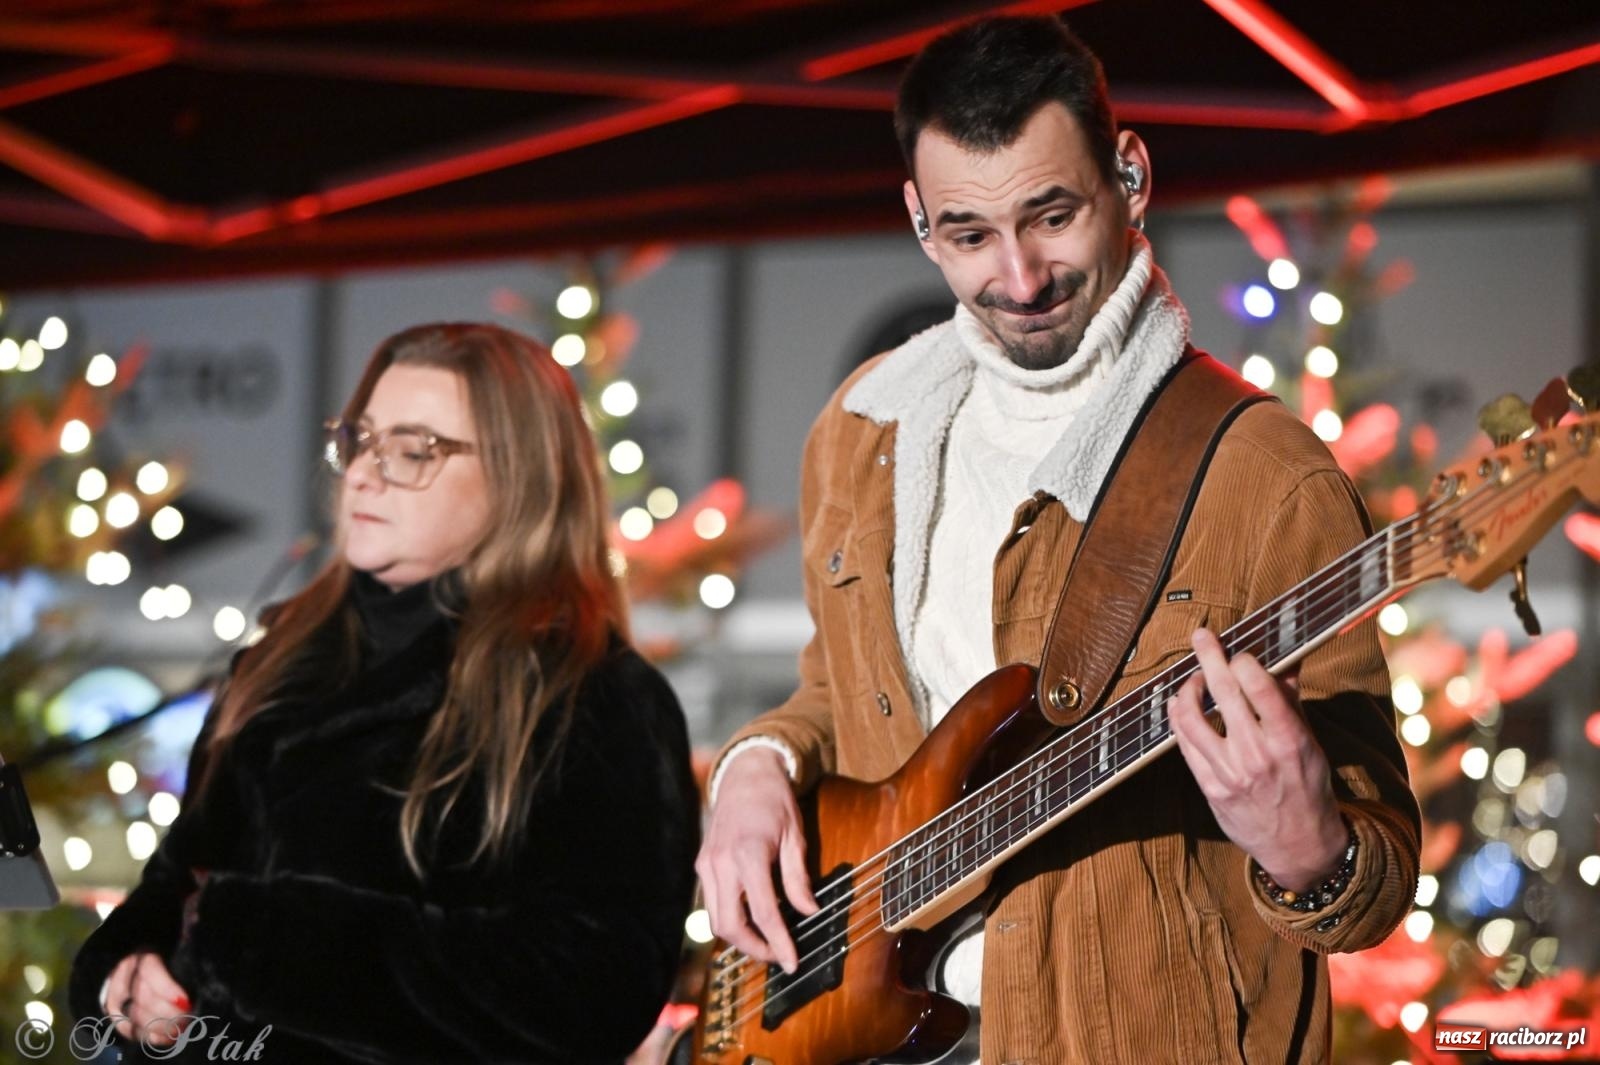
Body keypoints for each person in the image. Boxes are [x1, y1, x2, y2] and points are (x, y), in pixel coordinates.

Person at [695, 16, 1420, 1064]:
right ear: (918, 222)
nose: (1021, 276)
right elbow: (833, 690)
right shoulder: (863, 432)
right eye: (969, 234)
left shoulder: (1266, 477)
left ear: (1129, 177)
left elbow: (1378, 874)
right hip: (875, 1037)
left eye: (1052, 215)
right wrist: (755, 768)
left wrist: (1310, 849)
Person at [70, 323, 700, 1063]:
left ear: (516, 478)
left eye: (413, 450)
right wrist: (127, 968)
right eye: (361, 438)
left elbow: (596, 990)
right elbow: (178, 883)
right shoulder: (277, 662)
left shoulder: (597, 696)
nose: (365, 473)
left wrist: (276, 943)